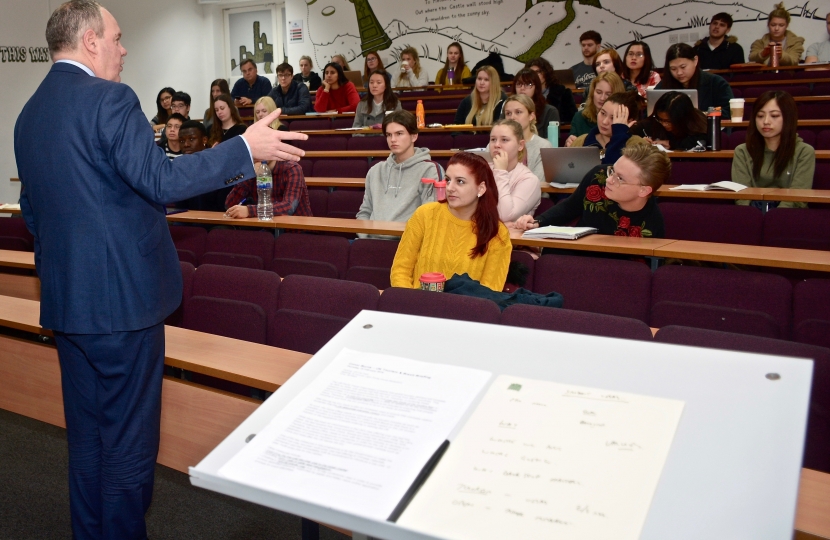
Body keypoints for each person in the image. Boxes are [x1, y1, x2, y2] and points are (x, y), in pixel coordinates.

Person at [14, 2, 306, 537]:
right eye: (118, 37)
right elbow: (161, 182)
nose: (125, 49)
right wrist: (244, 145)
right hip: (123, 307)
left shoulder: (29, 114)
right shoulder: (111, 99)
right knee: (128, 445)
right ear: (90, 42)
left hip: (67, 302)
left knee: (88, 441)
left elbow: (35, 211)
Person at [390, 151, 512, 292]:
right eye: (448, 180)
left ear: (481, 188)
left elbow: (490, 292)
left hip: (465, 311)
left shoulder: (498, 233)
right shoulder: (424, 215)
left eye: (460, 181)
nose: (450, 188)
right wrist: (410, 304)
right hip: (416, 306)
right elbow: (401, 270)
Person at [513, 145, 669, 238]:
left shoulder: (652, 225)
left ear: (643, 191)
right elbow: (570, 207)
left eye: (620, 178)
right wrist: (537, 222)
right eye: (612, 171)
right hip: (581, 255)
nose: (609, 180)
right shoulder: (598, 176)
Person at [357, 110, 441, 238]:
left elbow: (431, 218)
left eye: (399, 134)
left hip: (406, 245)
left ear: (414, 136)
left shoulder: (429, 170)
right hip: (371, 243)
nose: (393, 140)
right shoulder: (375, 171)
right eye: (389, 135)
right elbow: (365, 212)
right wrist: (365, 238)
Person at [732, 91, 815, 209]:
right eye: (760, 116)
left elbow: (798, 199)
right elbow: (742, 198)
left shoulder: (804, 152)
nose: (766, 121)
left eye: (774, 116)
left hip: (788, 217)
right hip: (752, 216)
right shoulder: (742, 151)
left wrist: (773, 218)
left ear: (788, 118)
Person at [655, 43, 734, 119]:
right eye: (673, 69)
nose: (679, 73)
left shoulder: (716, 82)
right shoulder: (664, 85)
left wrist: (705, 113)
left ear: (695, 60)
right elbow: (650, 112)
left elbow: (727, 110)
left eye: (683, 67)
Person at [569, 91, 646, 164]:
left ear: (629, 121)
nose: (605, 122)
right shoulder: (581, 142)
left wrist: (619, 133)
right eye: (603, 113)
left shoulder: (638, 146)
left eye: (613, 118)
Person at [488, 119, 541, 222]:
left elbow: (505, 216)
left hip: (511, 237)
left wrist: (500, 172)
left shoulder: (529, 180)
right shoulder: (481, 170)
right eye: (493, 139)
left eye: (504, 140)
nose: (496, 145)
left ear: (520, 145)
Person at [225, 161, 312, 218]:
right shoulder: (252, 170)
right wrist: (249, 176)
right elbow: (229, 204)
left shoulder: (292, 169)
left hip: (296, 232)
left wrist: (249, 211)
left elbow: (289, 207)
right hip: (265, 228)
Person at [499, 94, 553, 185]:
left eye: (518, 112)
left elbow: (537, 183)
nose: (512, 117)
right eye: (508, 113)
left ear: (531, 116)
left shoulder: (544, 146)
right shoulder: (495, 144)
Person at [631, 91, 707, 150]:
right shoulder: (653, 122)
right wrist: (638, 140)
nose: (664, 124)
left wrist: (672, 143)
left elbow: (703, 140)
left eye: (669, 121)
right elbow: (628, 136)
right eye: (660, 119)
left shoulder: (698, 122)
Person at [566, 71, 625, 143]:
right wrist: (569, 143)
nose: (602, 98)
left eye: (608, 94)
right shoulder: (579, 118)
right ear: (592, 92)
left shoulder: (623, 121)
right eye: (599, 92)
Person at [525, 57, 577, 124]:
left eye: (538, 72)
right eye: (531, 73)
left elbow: (571, 119)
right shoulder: (525, 94)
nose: (535, 75)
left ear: (546, 73)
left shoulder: (563, 93)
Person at [511, 68, 560, 138]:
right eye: (519, 84)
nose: (522, 88)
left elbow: (551, 143)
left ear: (536, 87)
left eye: (528, 84)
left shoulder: (550, 111)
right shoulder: (508, 109)